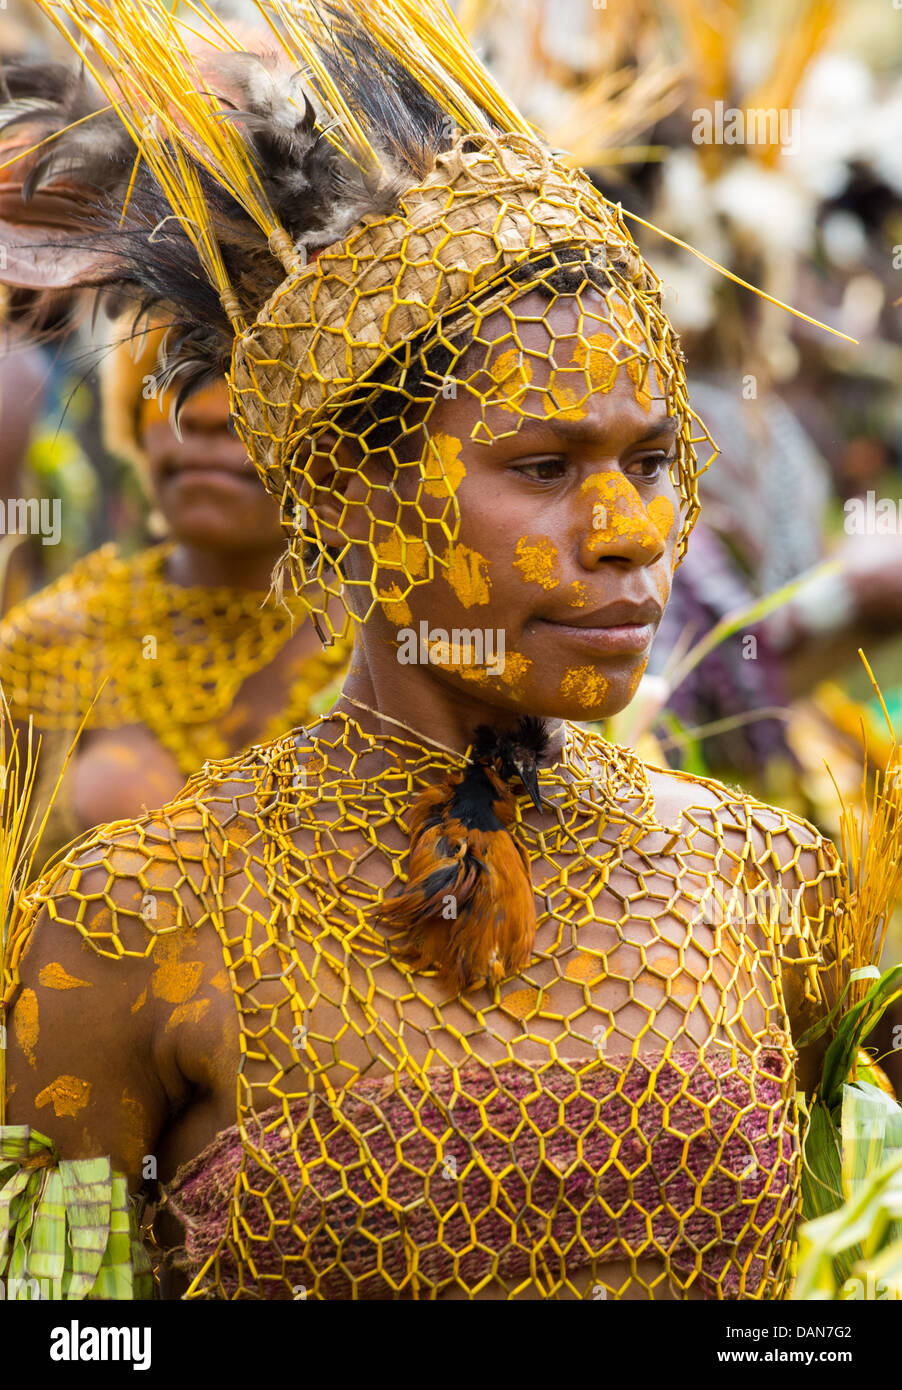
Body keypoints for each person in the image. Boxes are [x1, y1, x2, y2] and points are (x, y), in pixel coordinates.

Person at [0, 0, 852, 1300]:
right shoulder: (137, 923)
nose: (628, 533)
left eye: (649, 461)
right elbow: (59, 1323)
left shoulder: (771, 885)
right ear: (348, 492)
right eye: (544, 466)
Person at [0, 325, 349, 864]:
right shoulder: (50, 643)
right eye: (176, 378)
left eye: (260, 382)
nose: (205, 412)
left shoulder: (396, 645)